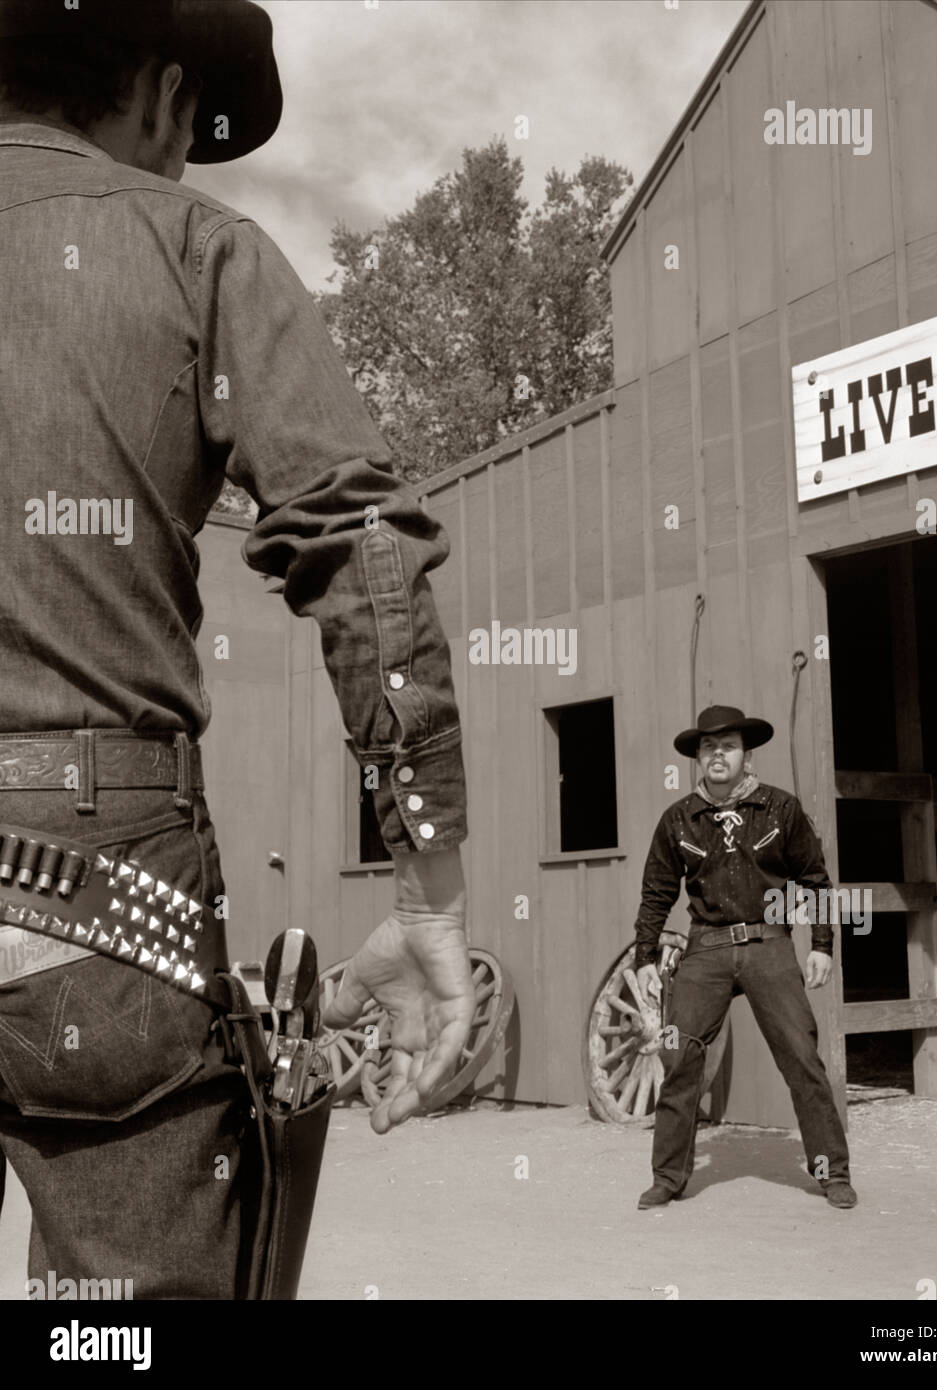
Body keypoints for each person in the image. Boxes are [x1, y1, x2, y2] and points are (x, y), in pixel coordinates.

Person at [0, 0, 473, 1298]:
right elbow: (362, 552)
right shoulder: (197, 248)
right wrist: (430, 884)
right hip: (98, 897)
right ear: (157, 94)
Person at [633, 705, 857, 1211]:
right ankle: (667, 1178)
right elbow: (656, 894)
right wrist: (645, 956)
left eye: (728, 746)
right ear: (698, 756)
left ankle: (832, 1172)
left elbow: (815, 880)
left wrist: (822, 945)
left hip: (768, 944)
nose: (718, 755)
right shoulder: (678, 819)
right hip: (706, 948)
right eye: (708, 747)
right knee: (680, 1058)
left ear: (746, 754)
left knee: (802, 1059)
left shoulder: (781, 809)